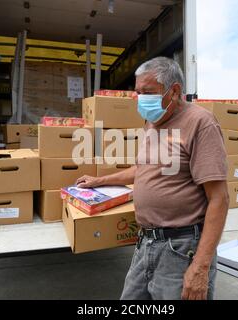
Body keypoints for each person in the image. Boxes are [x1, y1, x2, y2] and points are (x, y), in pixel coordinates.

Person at [76, 57, 229, 300]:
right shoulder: (152, 122)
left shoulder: (200, 123)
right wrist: (99, 181)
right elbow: (143, 169)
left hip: (181, 248)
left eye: (148, 92)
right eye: (138, 92)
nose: (141, 99)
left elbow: (219, 199)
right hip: (145, 243)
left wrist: (200, 267)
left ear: (175, 91)